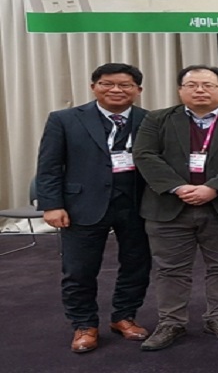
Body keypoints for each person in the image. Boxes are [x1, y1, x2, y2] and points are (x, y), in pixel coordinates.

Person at [133, 65, 218, 351]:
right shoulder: (156, 119)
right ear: (180, 90)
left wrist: (212, 188)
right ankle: (171, 322)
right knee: (170, 269)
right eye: (192, 85)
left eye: (208, 85)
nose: (200, 90)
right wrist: (178, 187)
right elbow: (144, 155)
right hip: (168, 206)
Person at [36, 62, 152, 353]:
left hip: (137, 204)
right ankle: (84, 324)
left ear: (138, 90)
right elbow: (49, 166)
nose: (116, 90)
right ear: (93, 87)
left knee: (137, 265)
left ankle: (124, 316)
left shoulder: (151, 120)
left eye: (125, 85)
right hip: (82, 204)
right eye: (107, 84)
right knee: (79, 270)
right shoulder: (64, 119)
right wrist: (52, 205)